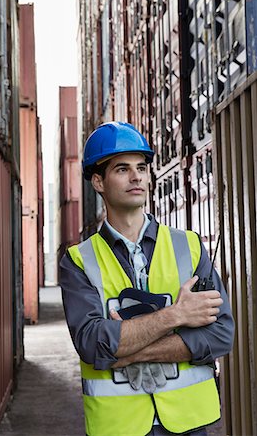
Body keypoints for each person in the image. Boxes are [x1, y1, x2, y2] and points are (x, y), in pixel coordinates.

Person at [59, 121, 234, 436]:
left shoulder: (189, 246)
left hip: (188, 424)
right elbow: (92, 343)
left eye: (141, 167)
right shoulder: (78, 262)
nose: (137, 176)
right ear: (98, 181)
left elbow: (221, 334)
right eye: (122, 169)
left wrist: (130, 349)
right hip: (119, 426)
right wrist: (176, 316)